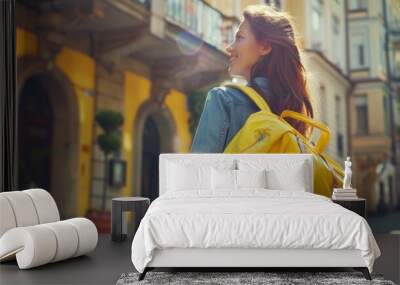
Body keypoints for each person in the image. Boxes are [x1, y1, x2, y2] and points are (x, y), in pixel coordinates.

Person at [190, 4, 314, 153]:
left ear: (265, 47)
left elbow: (199, 170)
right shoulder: (294, 115)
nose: (230, 47)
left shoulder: (223, 100)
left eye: (239, 38)